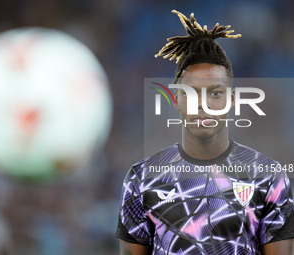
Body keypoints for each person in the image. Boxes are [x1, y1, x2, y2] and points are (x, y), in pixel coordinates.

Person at [116, 10, 294, 255]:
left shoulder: (269, 177)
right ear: (176, 98)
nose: (203, 103)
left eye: (216, 93)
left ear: (232, 100)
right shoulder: (141, 178)